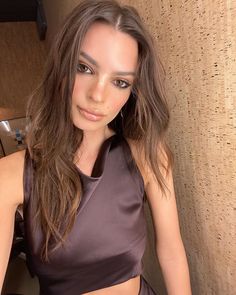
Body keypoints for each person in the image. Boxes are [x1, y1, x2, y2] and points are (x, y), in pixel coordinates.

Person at [0, 0, 192, 294]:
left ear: (133, 91)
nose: (98, 95)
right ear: (62, 65)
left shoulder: (150, 156)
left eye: (120, 82)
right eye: (84, 67)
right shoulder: (10, 176)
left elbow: (171, 252)